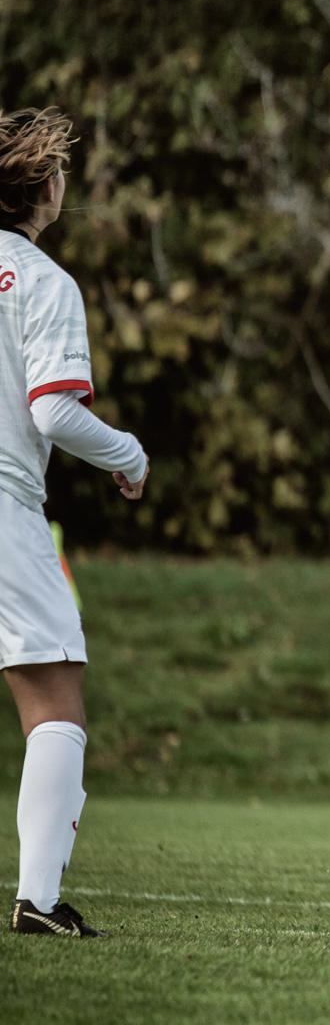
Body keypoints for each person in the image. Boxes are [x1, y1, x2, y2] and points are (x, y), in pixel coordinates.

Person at [0, 108, 147, 937]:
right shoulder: (41, 280)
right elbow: (54, 412)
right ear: (44, 187)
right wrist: (129, 454)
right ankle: (40, 902)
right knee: (56, 703)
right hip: (4, 505)